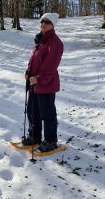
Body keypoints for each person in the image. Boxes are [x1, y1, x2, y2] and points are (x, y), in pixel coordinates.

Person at [23, 13, 64, 152]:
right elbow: (33, 60)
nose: (43, 24)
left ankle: (51, 141)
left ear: (53, 25)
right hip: (34, 83)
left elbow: (50, 66)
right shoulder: (40, 40)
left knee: (47, 114)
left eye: (47, 22)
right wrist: (28, 72)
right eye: (42, 22)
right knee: (32, 111)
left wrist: (39, 78)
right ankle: (35, 136)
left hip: (46, 84)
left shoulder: (55, 42)